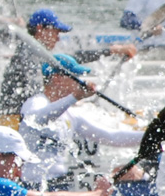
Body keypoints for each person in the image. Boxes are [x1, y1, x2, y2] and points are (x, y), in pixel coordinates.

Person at [19, 53, 147, 188]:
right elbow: (37, 119)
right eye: (75, 76)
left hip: (59, 183)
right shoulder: (35, 103)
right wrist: (74, 97)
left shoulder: (70, 114)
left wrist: (152, 136)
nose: (79, 80)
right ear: (57, 79)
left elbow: (112, 136)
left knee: (127, 175)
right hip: (32, 185)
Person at [0, 8, 136, 118]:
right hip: (17, 119)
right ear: (40, 29)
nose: (58, 39)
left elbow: (70, 59)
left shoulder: (37, 53)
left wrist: (111, 50)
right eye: (55, 32)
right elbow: (35, 92)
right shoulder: (26, 55)